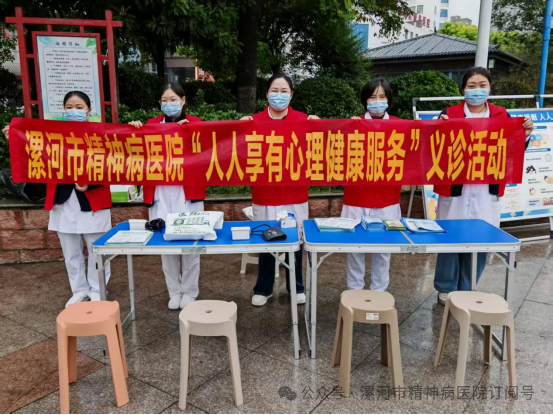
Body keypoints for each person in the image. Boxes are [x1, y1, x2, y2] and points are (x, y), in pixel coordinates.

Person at [434, 67, 534, 305]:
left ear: (490, 88)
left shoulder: (502, 115)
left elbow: (512, 149)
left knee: (480, 238)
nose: (477, 90)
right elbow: (433, 148)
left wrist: (526, 134)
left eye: (482, 85)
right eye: (471, 85)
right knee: (450, 237)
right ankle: (446, 287)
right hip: (455, 188)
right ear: (463, 89)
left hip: (486, 188)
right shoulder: (449, 113)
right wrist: (437, 129)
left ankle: (469, 286)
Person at [2, 91, 112, 308]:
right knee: (70, 252)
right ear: (64, 110)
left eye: (79, 107)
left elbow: (115, 164)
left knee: (97, 249)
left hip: (93, 199)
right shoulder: (51, 134)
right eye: (69, 107)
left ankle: (98, 289)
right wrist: (15, 139)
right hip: (63, 200)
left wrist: (91, 183)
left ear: (89, 110)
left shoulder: (101, 134)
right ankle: (79, 290)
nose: (74, 111)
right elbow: (34, 156)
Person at [240, 73, 319, 307]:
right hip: (265, 194)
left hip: (294, 194)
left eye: (284, 91)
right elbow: (238, 154)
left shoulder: (304, 121)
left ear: (291, 95)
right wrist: (239, 129)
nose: (279, 95)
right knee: (266, 242)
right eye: (274, 91)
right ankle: (263, 288)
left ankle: (296, 286)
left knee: (295, 242)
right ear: (266, 94)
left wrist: (320, 126)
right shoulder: (253, 121)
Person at [129, 83, 206, 310]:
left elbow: (209, 152)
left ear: (183, 100)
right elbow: (134, 151)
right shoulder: (150, 125)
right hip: (161, 192)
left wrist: (192, 132)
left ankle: (190, 291)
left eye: (173, 99)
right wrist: (133, 129)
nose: (169, 104)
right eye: (164, 100)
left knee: (191, 245)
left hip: (187, 192)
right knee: (165, 244)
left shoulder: (197, 123)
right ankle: (174, 291)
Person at [342, 78, 402, 292]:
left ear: (389, 99)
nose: (377, 101)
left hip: (387, 198)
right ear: (365, 100)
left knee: (384, 249)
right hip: (356, 197)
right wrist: (346, 131)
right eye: (372, 97)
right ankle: (354, 290)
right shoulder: (353, 124)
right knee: (354, 248)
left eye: (382, 97)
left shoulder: (400, 126)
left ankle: (379, 291)